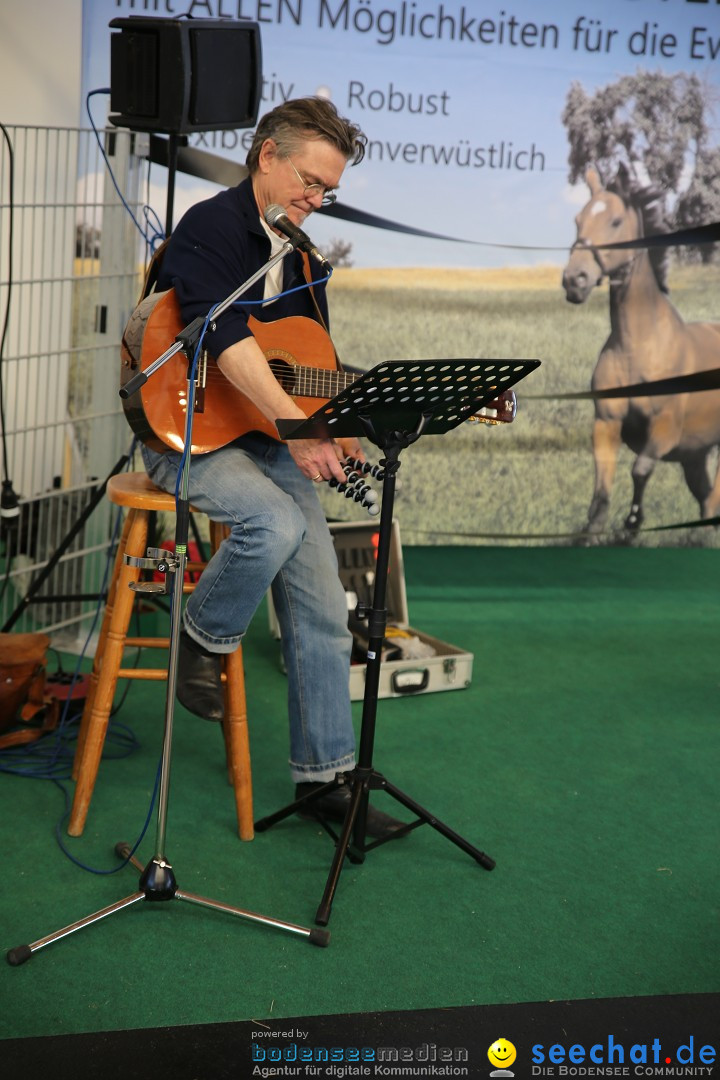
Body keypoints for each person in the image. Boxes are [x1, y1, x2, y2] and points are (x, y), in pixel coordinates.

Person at [141, 97, 402, 836]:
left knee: (325, 608)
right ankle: (203, 633)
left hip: (265, 434)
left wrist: (331, 426)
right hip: (181, 430)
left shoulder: (307, 257)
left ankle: (325, 782)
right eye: (311, 182)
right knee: (275, 521)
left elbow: (306, 364)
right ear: (267, 156)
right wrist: (295, 428)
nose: (317, 201)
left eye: (328, 192)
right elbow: (219, 337)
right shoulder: (210, 227)